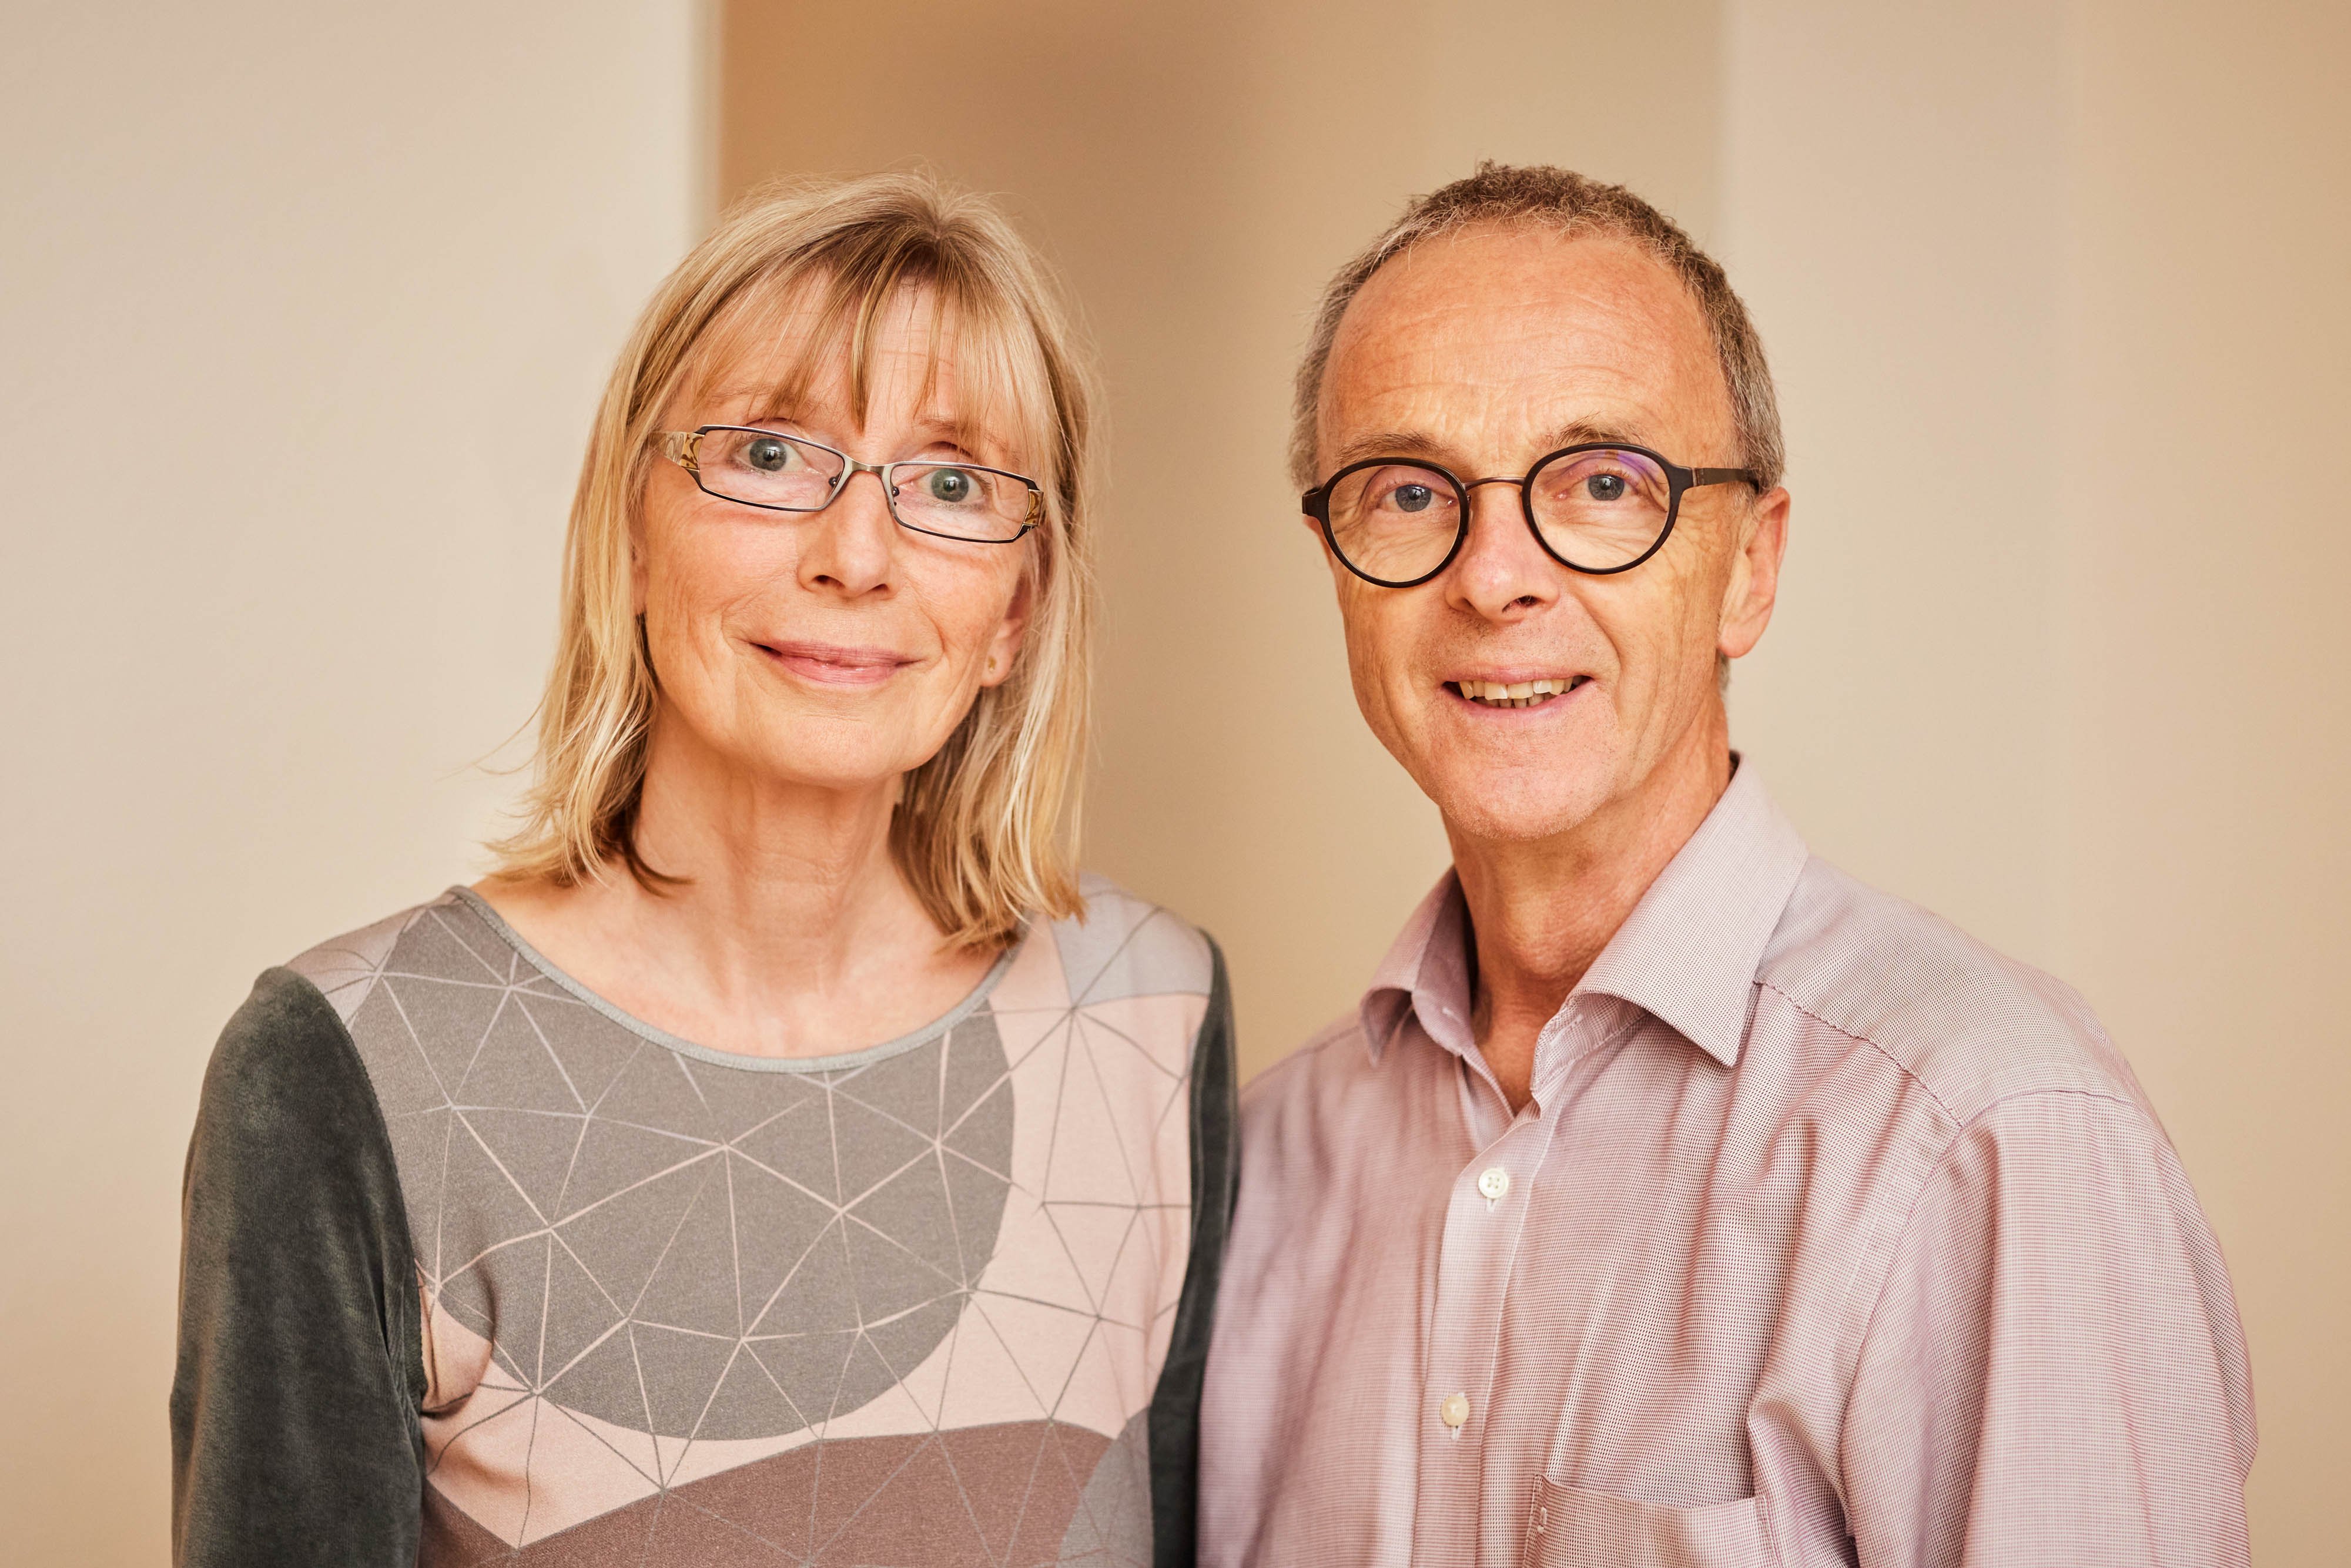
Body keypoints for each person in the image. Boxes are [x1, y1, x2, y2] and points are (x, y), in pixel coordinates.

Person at [172, 172, 1236, 1568]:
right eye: (770, 454)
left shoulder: (1149, 1013)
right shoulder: (347, 1063)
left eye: (951, 482)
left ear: (1014, 612)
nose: (857, 554)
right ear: (630, 535)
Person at [1197, 163, 2253, 1567]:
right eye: (1406, 490)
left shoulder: (1987, 1137)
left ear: (1749, 568)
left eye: (1601, 482)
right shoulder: (1252, 1169)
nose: (1493, 577)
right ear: (1335, 562)